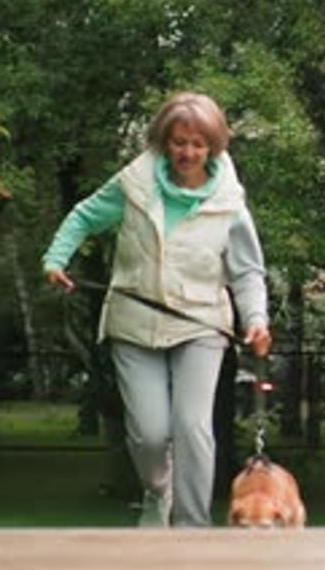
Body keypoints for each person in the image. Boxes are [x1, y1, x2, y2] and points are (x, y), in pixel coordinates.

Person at [43, 92, 272, 528]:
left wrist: (257, 320)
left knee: (192, 426)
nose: (188, 152)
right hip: (134, 319)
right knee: (149, 432)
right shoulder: (134, 186)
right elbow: (84, 216)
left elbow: (247, 272)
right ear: (164, 142)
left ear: (214, 147)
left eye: (198, 144)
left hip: (200, 324)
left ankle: (192, 527)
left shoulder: (229, 204)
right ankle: (157, 489)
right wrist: (56, 259)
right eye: (179, 142)